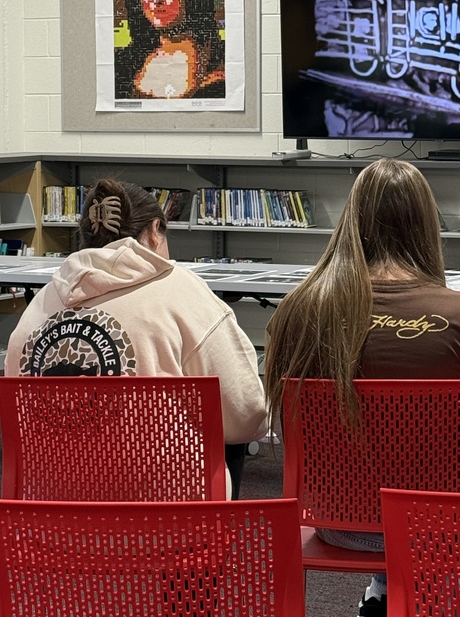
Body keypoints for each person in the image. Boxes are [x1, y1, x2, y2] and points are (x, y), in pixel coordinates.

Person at [263, 157, 460, 617]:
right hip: (431, 527)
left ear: (354, 220)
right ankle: (416, 612)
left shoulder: (298, 308)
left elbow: (292, 428)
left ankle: (387, 591)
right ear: (426, 224)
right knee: (447, 470)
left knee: (378, 458)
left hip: (335, 520)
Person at [4, 178, 266, 499]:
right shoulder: (183, 291)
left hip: (53, 529)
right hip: (170, 534)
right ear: (156, 230)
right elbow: (247, 415)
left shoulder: (41, 305)